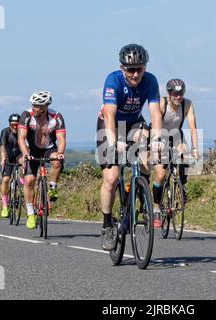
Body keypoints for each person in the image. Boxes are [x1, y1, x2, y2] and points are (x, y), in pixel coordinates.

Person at [96, 43, 163, 250]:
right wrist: (114, 142)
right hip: (111, 125)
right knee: (111, 178)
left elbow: (154, 113)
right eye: (130, 69)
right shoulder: (113, 80)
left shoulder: (150, 81)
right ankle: (107, 225)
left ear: (145, 68)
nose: (135, 74)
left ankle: (141, 193)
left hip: (134, 123)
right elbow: (109, 115)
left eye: (139, 69)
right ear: (122, 68)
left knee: (146, 144)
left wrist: (158, 138)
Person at [152, 79, 199, 226]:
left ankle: (181, 186)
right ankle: (156, 208)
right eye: (175, 94)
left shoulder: (188, 104)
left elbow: (192, 129)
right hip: (159, 135)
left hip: (176, 136)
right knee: (160, 174)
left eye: (181, 93)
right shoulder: (162, 103)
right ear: (169, 93)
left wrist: (195, 148)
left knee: (184, 154)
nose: (178, 97)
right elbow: (155, 123)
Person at [18, 91, 66, 229]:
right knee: (29, 180)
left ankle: (52, 187)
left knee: (57, 161)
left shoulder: (56, 116)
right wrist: (26, 153)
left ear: (45, 106)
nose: (34, 108)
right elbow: (21, 138)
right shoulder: (26, 115)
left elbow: (62, 138)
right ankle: (30, 213)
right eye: (33, 105)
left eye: (37, 106)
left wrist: (60, 152)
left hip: (49, 148)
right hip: (32, 149)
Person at [0, 113, 22, 218]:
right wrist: (3, 157)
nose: (14, 126)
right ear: (9, 124)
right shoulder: (5, 132)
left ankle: (21, 179)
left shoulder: (23, 131)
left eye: (16, 124)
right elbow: (3, 146)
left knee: (23, 161)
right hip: (8, 156)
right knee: (5, 180)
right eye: (12, 124)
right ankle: (5, 205)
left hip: (18, 155)